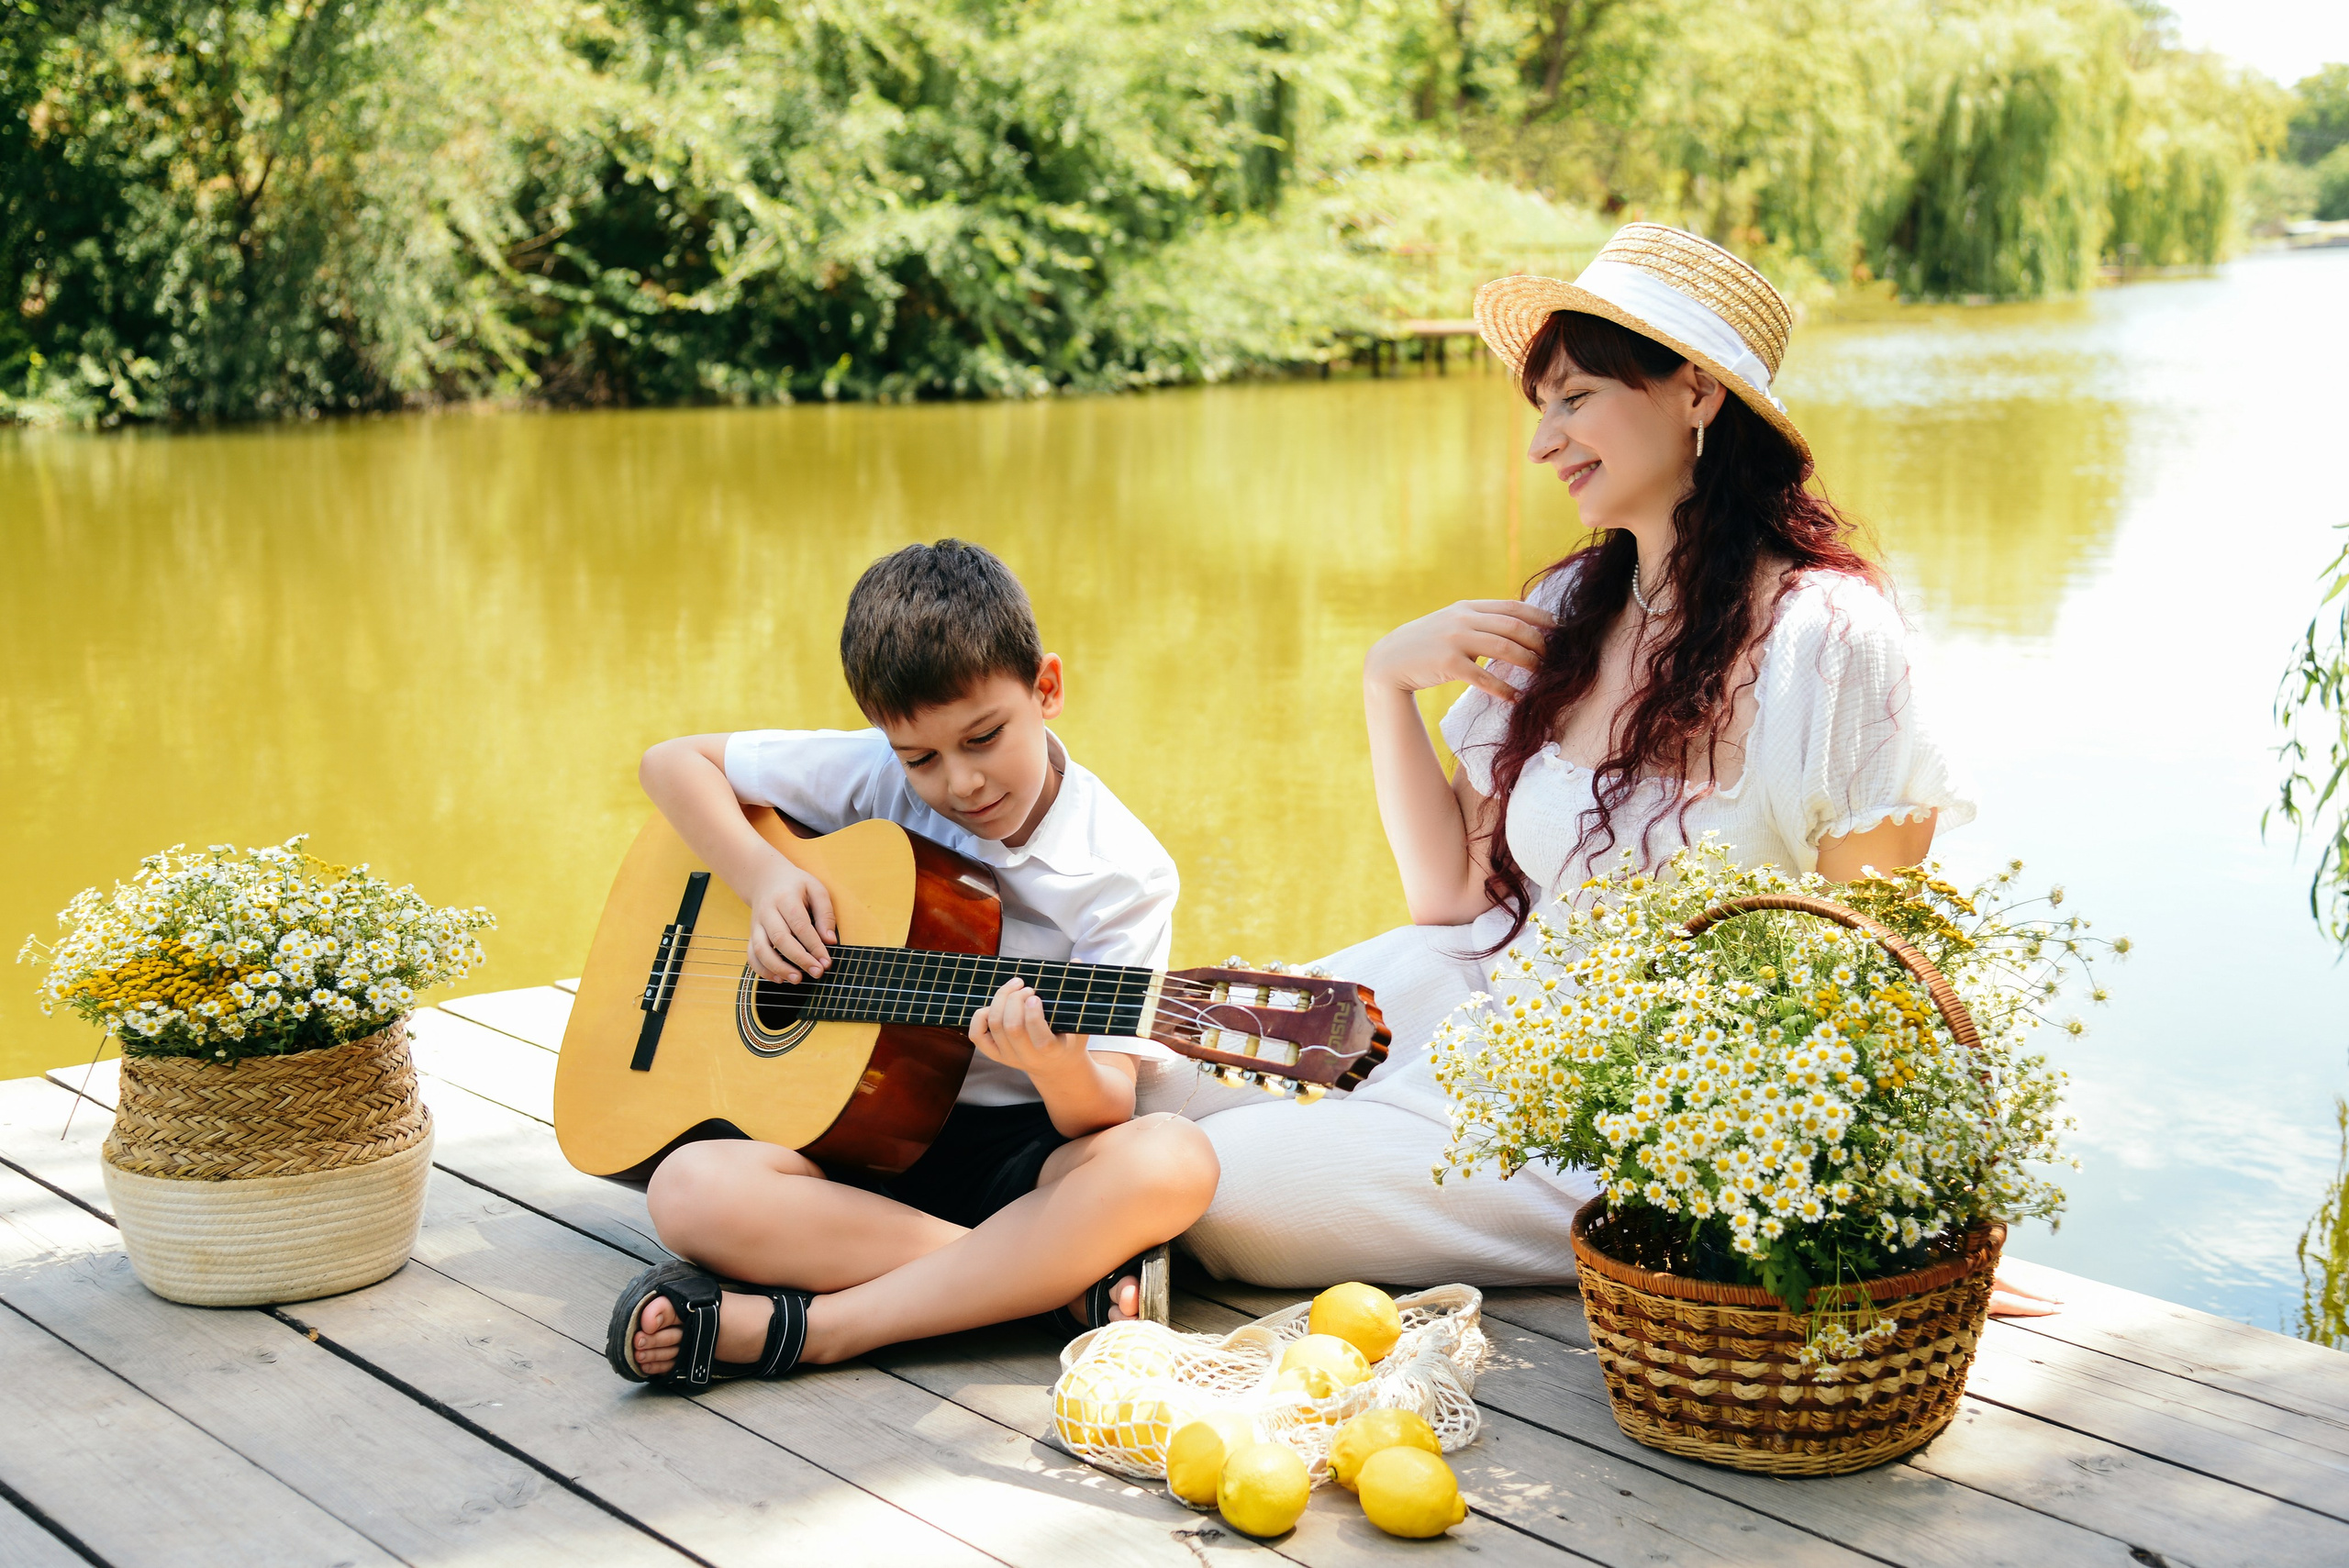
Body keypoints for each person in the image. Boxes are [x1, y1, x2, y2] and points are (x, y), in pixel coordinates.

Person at [1156, 224, 2059, 1318]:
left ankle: (1097, 1253)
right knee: (1158, 1078)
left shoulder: (1830, 639)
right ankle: (1046, 1245)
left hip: (1631, 1105)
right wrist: (1384, 682)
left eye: (1574, 397)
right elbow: (1450, 895)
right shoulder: (1566, 607)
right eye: (1543, 405)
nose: (1545, 442)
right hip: (1481, 985)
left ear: (1694, 392)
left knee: (1217, 1184)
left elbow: (1867, 961)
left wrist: (1878, 1205)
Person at [608, 539, 1218, 1390]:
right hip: (856, 1147)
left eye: (984, 737)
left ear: (1046, 688)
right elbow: (671, 762)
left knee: (1174, 1161)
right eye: (920, 758)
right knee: (688, 1189)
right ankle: (1040, 1288)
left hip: (1016, 1154)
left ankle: (817, 1329)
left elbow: (1104, 1106)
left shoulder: (1125, 871)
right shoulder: (871, 773)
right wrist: (766, 876)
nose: (960, 781)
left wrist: (1057, 1063)